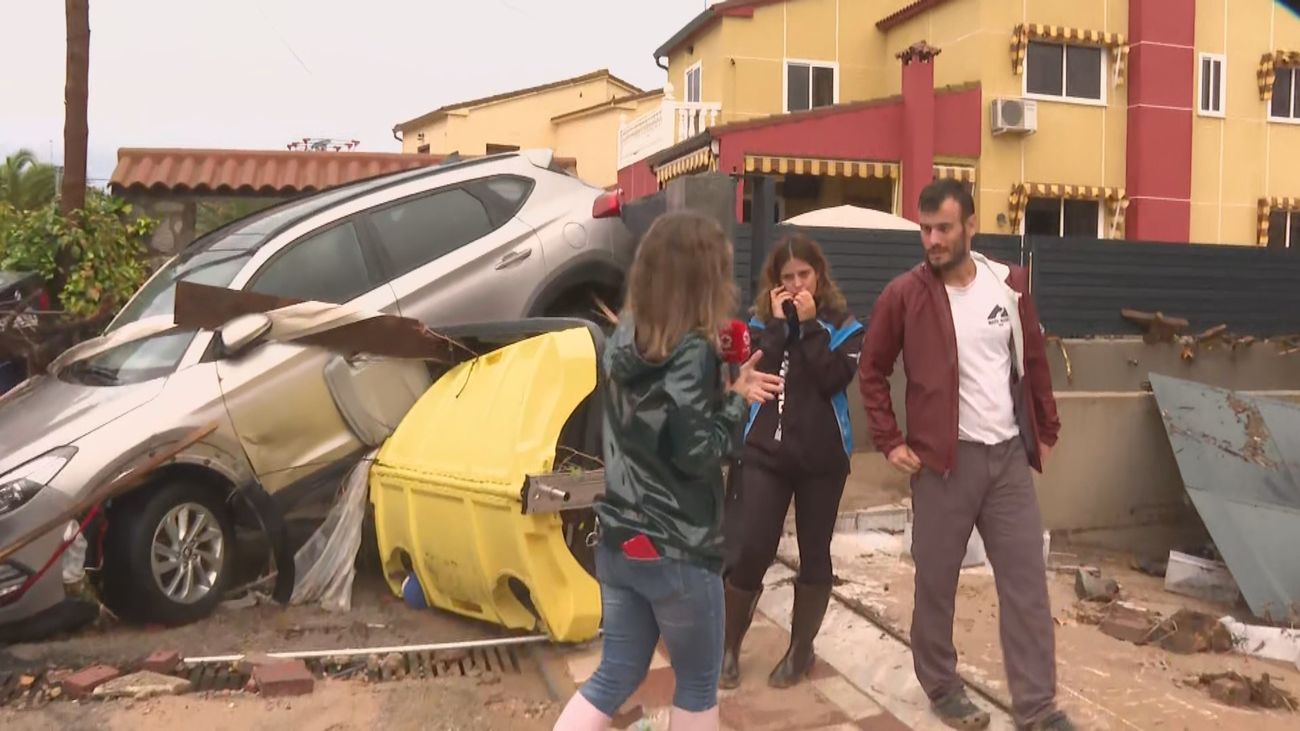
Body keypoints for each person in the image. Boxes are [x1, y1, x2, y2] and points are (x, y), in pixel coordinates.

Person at [553, 211, 784, 731]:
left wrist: (721, 393)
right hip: (678, 544)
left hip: (620, 538)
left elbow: (654, 432)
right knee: (699, 681)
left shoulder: (622, 340)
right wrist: (736, 400)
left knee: (616, 671)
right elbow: (696, 451)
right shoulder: (693, 350)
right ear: (704, 277)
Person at [857, 179, 1072, 731]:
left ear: (970, 227)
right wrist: (891, 440)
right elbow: (871, 370)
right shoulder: (904, 295)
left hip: (1005, 462)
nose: (931, 239)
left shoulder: (1008, 286)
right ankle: (942, 685)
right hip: (941, 466)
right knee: (936, 582)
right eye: (925, 229)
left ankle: (1038, 707)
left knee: (1025, 585)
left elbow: (1034, 361)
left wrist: (1045, 427)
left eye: (943, 228)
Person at [719, 234, 863, 690]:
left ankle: (801, 650)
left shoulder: (845, 326)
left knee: (814, 554)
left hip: (823, 460)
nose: (797, 285)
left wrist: (811, 326)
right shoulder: (760, 323)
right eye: (787, 278)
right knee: (749, 548)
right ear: (774, 284)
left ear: (818, 276)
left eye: (804, 275)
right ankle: (726, 647)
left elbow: (832, 377)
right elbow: (752, 367)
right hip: (765, 453)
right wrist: (784, 326)